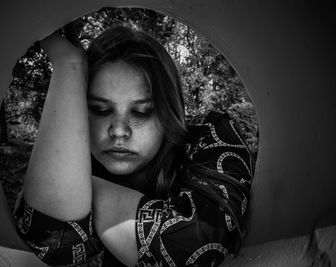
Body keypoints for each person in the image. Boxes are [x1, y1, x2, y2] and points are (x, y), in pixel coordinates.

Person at [13, 25, 253, 266]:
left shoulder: (211, 133)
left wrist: (82, 186)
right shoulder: (70, 150)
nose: (118, 131)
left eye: (141, 112)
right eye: (101, 110)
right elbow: (46, 241)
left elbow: (196, 248)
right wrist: (69, 67)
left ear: (168, 113)